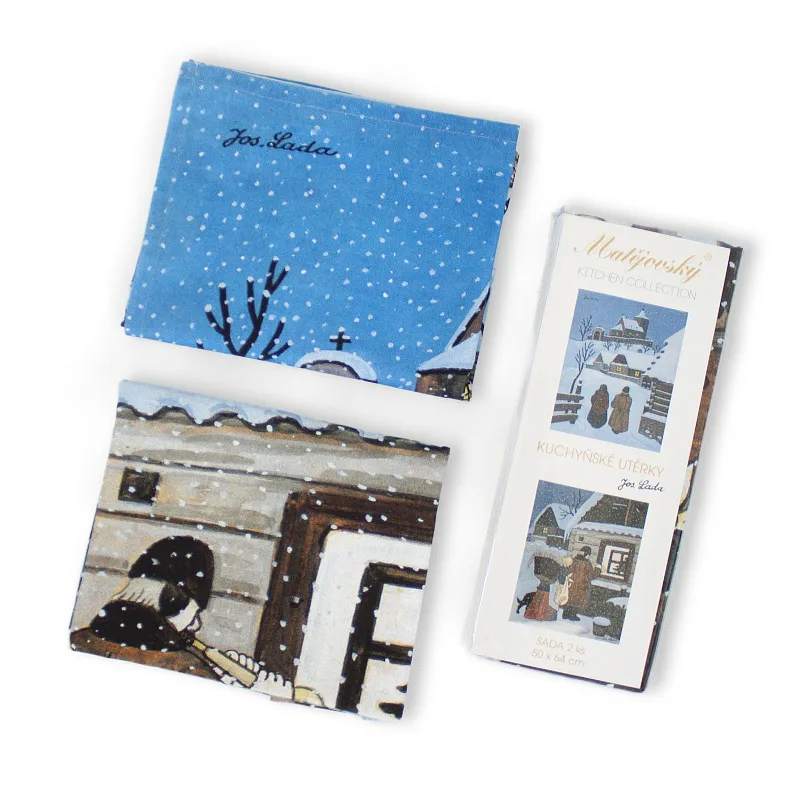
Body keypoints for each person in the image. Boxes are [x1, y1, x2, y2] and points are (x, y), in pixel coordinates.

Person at [70, 535, 292, 697]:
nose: (196, 626)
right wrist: (259, 693)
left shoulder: (79, 640)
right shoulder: (188, 669)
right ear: (173, 603)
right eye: (194, 613)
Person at [561, 546, 601, 621]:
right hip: (581, 586)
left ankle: (565, 614)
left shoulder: (573, 560)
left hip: (571, 584)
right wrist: (598, 569)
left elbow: (567, 570)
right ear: (587, 554)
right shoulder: (587, 564)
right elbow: (591, 576)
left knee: (569, 599)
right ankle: (572, 615)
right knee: (577, 601)